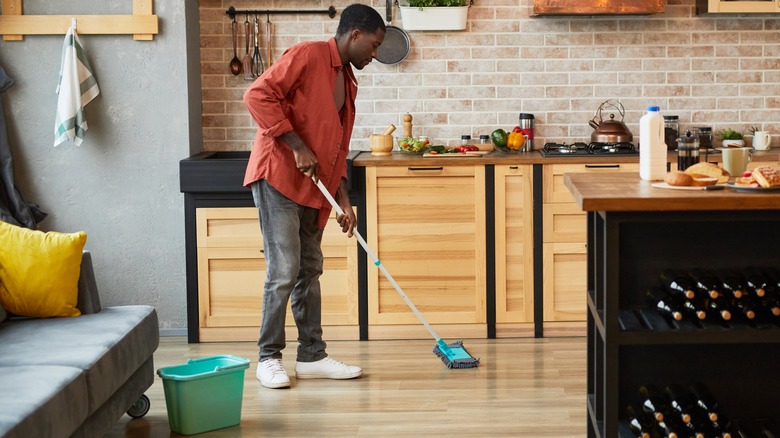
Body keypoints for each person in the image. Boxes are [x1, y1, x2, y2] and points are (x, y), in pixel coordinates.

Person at [242, 4, 386, 389]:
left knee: (310, 270)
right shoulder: (307, 56)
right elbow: (257, 95)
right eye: (373, 45)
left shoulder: (348, 82)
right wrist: (295, 144)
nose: (373, 55)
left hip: (315, 187)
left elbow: (335, 148)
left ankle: (311, 356)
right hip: (279, 177)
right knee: (285, 269)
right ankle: (268, 357)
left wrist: (344, 200)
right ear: (354, 35)